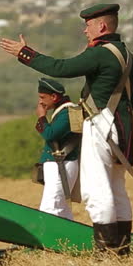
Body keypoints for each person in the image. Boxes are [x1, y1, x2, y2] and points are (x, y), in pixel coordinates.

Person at [0, 3, 133, 255]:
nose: (85, 31)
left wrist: (25, 53)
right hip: (124, 128)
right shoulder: (128, 56)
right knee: (117, 188)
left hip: (102, 125)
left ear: (102, 26)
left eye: (88, 25)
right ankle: (122, 249)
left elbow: (61, 68)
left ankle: (107, 252)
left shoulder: (101, 53)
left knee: (96, 189)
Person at [33, 78, 80, 220]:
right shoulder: (63, 112)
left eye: (43, 97)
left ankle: (42, 242)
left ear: (54, 97)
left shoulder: (68, 113)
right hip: (58, 164)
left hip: (61, 164)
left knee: (50, 209)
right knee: (62, 211)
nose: (40, 101)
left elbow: (50, 134)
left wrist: (42, 117)